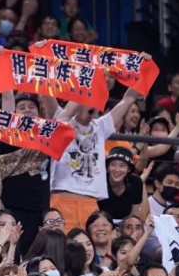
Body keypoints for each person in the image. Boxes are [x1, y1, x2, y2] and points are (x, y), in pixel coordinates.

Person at [42, 75, 144, 231]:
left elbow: (128, 99)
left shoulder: (101, 126)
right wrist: (85, 86)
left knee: (91, 246)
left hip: (91, 204)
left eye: (96, 101)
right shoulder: (61, 119)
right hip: (61, 200)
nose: (93, 105)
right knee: (59, 244)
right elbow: (45, 91)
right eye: (89, 99)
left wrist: (141, 73)